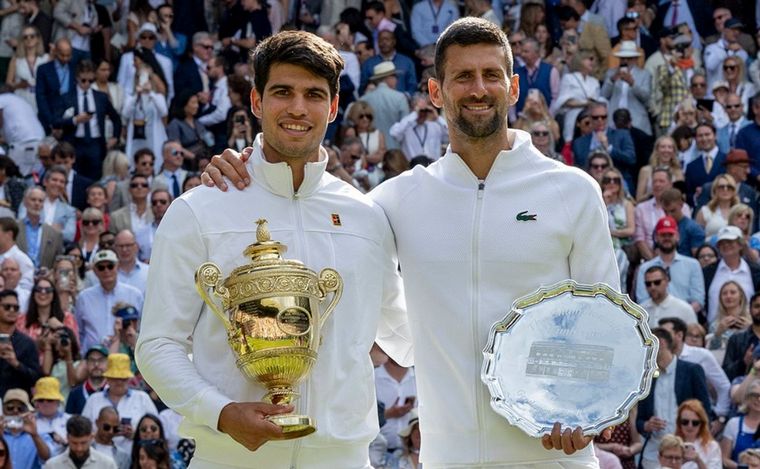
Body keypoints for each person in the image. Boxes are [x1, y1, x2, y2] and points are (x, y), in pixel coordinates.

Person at [204, 17, 620, 465]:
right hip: (446, 459)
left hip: (554, 457)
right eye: (463, 76)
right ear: (436, 92)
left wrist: (593, 415)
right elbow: (306, 208)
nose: (478, 89)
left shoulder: (573, 191)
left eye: (491, 75)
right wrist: (247, 173)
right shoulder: (393, 201)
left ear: (513, 87)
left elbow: (609, 326)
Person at [136, 30, 412, 468]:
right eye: (283, 92)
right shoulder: (200, 209)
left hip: (341, 459)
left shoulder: (366, 217)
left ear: (334, 106)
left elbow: (409, 338)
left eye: (314, 94)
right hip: (230, 458)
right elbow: (157, 344)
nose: (298, 108)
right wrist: (221, 413)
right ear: (257, 101)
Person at [81, 353, 157, 454]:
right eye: (115, 378)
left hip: (135, 457)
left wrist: (136, 434)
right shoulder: (94, 400)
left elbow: (157, 429)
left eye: (123, 378)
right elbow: (82, 430)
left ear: (129, 379)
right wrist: (103, 433)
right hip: (99, 456)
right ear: (107, 378)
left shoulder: (142, 398)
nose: (119, 382)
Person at [75, 249, 143, 352]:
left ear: (117, 266)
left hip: (125, 357)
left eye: (110, 266)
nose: (106, 271)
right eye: (101, 267)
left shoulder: (134, 295)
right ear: (95, 271)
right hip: (92, 359)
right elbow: (79, 331)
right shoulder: (84, 297)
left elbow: (141, 328)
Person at [0, 289, 41, 397]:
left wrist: (16, 364)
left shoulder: (27, 343)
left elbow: (36, 379)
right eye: (7, 307)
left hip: (17, 405)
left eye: (16, 307)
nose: (12, 310)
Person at [42, 415, 117, 468]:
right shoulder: (52, 466)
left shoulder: (107, 465)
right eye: (74, 443)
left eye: (83, 443)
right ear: (67, 438)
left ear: (91, 438)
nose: (79, 448)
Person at [16, 187, 64, 270]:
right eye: (33, 200)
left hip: (44, 279)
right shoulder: (13, 228)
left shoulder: (54, 233)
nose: (37, 203)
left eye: (40, 201)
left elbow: (58, 261)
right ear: (25, 202)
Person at [2, 388, 51, 468]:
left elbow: (47, 458)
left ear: (28, 411)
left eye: (20, 409)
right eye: (10, 408)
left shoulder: (39, 432)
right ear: (3, 410)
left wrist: (35, 435)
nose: (15, 411)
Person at [5, 25, 49, 113]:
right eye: (25, 37)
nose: (29, 39)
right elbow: (8, 83)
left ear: (38, 38)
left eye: (32, 36)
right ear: (22, 41)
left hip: (41, 102)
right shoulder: (16, 60)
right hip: (21, 100)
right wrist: (19, 85)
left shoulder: (46, 58)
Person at [722, 379, 760, 468]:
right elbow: (724, 458)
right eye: (755, 395)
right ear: (747, 398)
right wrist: (742, 467)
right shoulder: (733, 424)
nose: (758, 399)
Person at [674, 399, 721, 469]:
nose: (690, 426)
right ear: (679, 423)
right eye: (685, 422)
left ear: (701, 424)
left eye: (695, 423)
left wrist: (698, 461)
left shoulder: (712, 446)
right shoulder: (671, 444)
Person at [32, 376, 70, 457]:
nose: (45, 403)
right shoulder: (30, 421)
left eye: (50, 400)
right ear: (36, 402)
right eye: (41, 400)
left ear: (58, 401)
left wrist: (64, 443)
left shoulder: (70, 420)